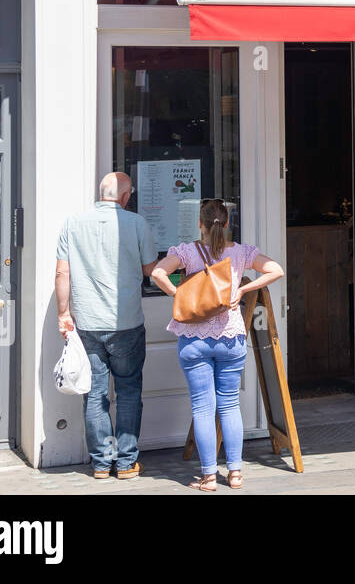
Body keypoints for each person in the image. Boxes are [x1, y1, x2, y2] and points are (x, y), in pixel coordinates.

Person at [150, 199, 283, 491]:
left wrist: (179, 295)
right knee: (229, 405)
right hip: (231, 337)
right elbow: (276, 270)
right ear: (226, 224)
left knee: (202, 406)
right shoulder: (240, 252)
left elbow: (157, 273)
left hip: (193, 340)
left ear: (200, 223)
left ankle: (209, 476)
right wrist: (243, 289)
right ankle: (235, 474)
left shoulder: (186, 251)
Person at [55, 172, 156, 480]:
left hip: (86, 323)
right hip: (125, 322)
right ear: (125, 197)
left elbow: (62, 274)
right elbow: (151, 269)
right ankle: (125, 463)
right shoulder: (136, 223)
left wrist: (63, 313)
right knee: (127, 391)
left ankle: (101, 463)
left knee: (95, 393)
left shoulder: (72, 223)